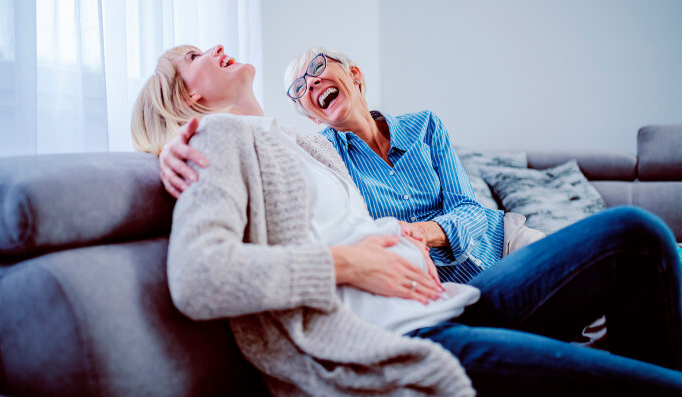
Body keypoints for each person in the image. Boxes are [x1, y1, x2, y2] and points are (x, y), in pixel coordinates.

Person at [131, 44, 682, 396]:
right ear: (188, 96)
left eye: (316, 71)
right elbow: (199, 276)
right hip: (406, 338)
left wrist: (393, 236)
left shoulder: (298, 144)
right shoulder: (216, 140)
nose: (217, 48)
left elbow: (347, 221)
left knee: (636, 234)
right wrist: (349, 264)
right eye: (194, 56)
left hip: (450, 298)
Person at [158, 47, 545, 285]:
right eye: (298, 89)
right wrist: (176, 139)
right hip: (451, 284)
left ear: (354, 75)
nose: (310, 84)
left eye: (317, 68)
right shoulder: (322, 153)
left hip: (503, 241)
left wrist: (423, 232)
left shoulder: (425, 124)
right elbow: (259, 145)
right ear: (312, 118)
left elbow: (470, 210)